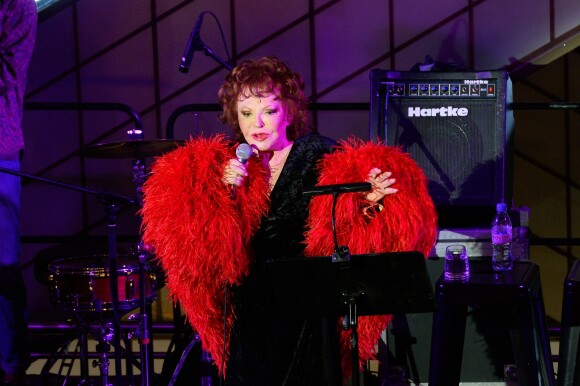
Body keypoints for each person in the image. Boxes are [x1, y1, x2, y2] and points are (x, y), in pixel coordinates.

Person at [141, 56, 437, 385]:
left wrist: (370, 201)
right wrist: (221, 196)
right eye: (247, 113)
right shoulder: (230, 167)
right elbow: (211, 249)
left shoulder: (320, 156)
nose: (258, 124)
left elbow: (347, 228)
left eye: (269, 111)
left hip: (306, 314)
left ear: (289, 111)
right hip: (250, 315)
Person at [0, 0, 37, 385]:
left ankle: (11, 369)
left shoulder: (18, 5)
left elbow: (7, 73)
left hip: (0, 148)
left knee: (3, 267)